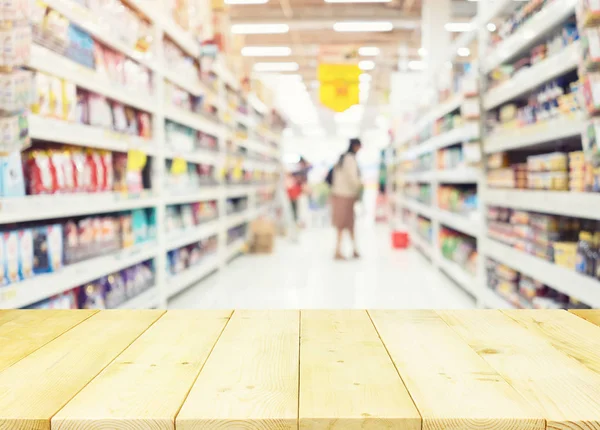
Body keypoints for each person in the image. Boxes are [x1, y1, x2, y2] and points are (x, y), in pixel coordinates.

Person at [331, 138, 362, 260]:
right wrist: (360, 185)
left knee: (347, 223)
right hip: (346, 196)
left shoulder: (342, 158)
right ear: (356, 146)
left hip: (339, 194)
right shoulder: (350, 159)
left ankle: (353, 249)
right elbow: (352, 178)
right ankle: (338, 250)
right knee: (344, 223)